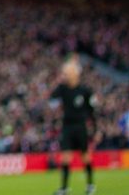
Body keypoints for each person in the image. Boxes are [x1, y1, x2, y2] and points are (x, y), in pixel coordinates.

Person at [50, 59, 97, 195]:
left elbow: (92, 110)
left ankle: (90, 185)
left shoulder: (85, 90)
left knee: (85, 157)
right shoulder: (62, 88)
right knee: (65, 157)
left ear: (75, 74)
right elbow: (52, 100)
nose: (64, 75)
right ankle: (64, 188)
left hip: (80, 126)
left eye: (66, 72)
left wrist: (95, 129)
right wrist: (58, 82)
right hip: (67, 126)